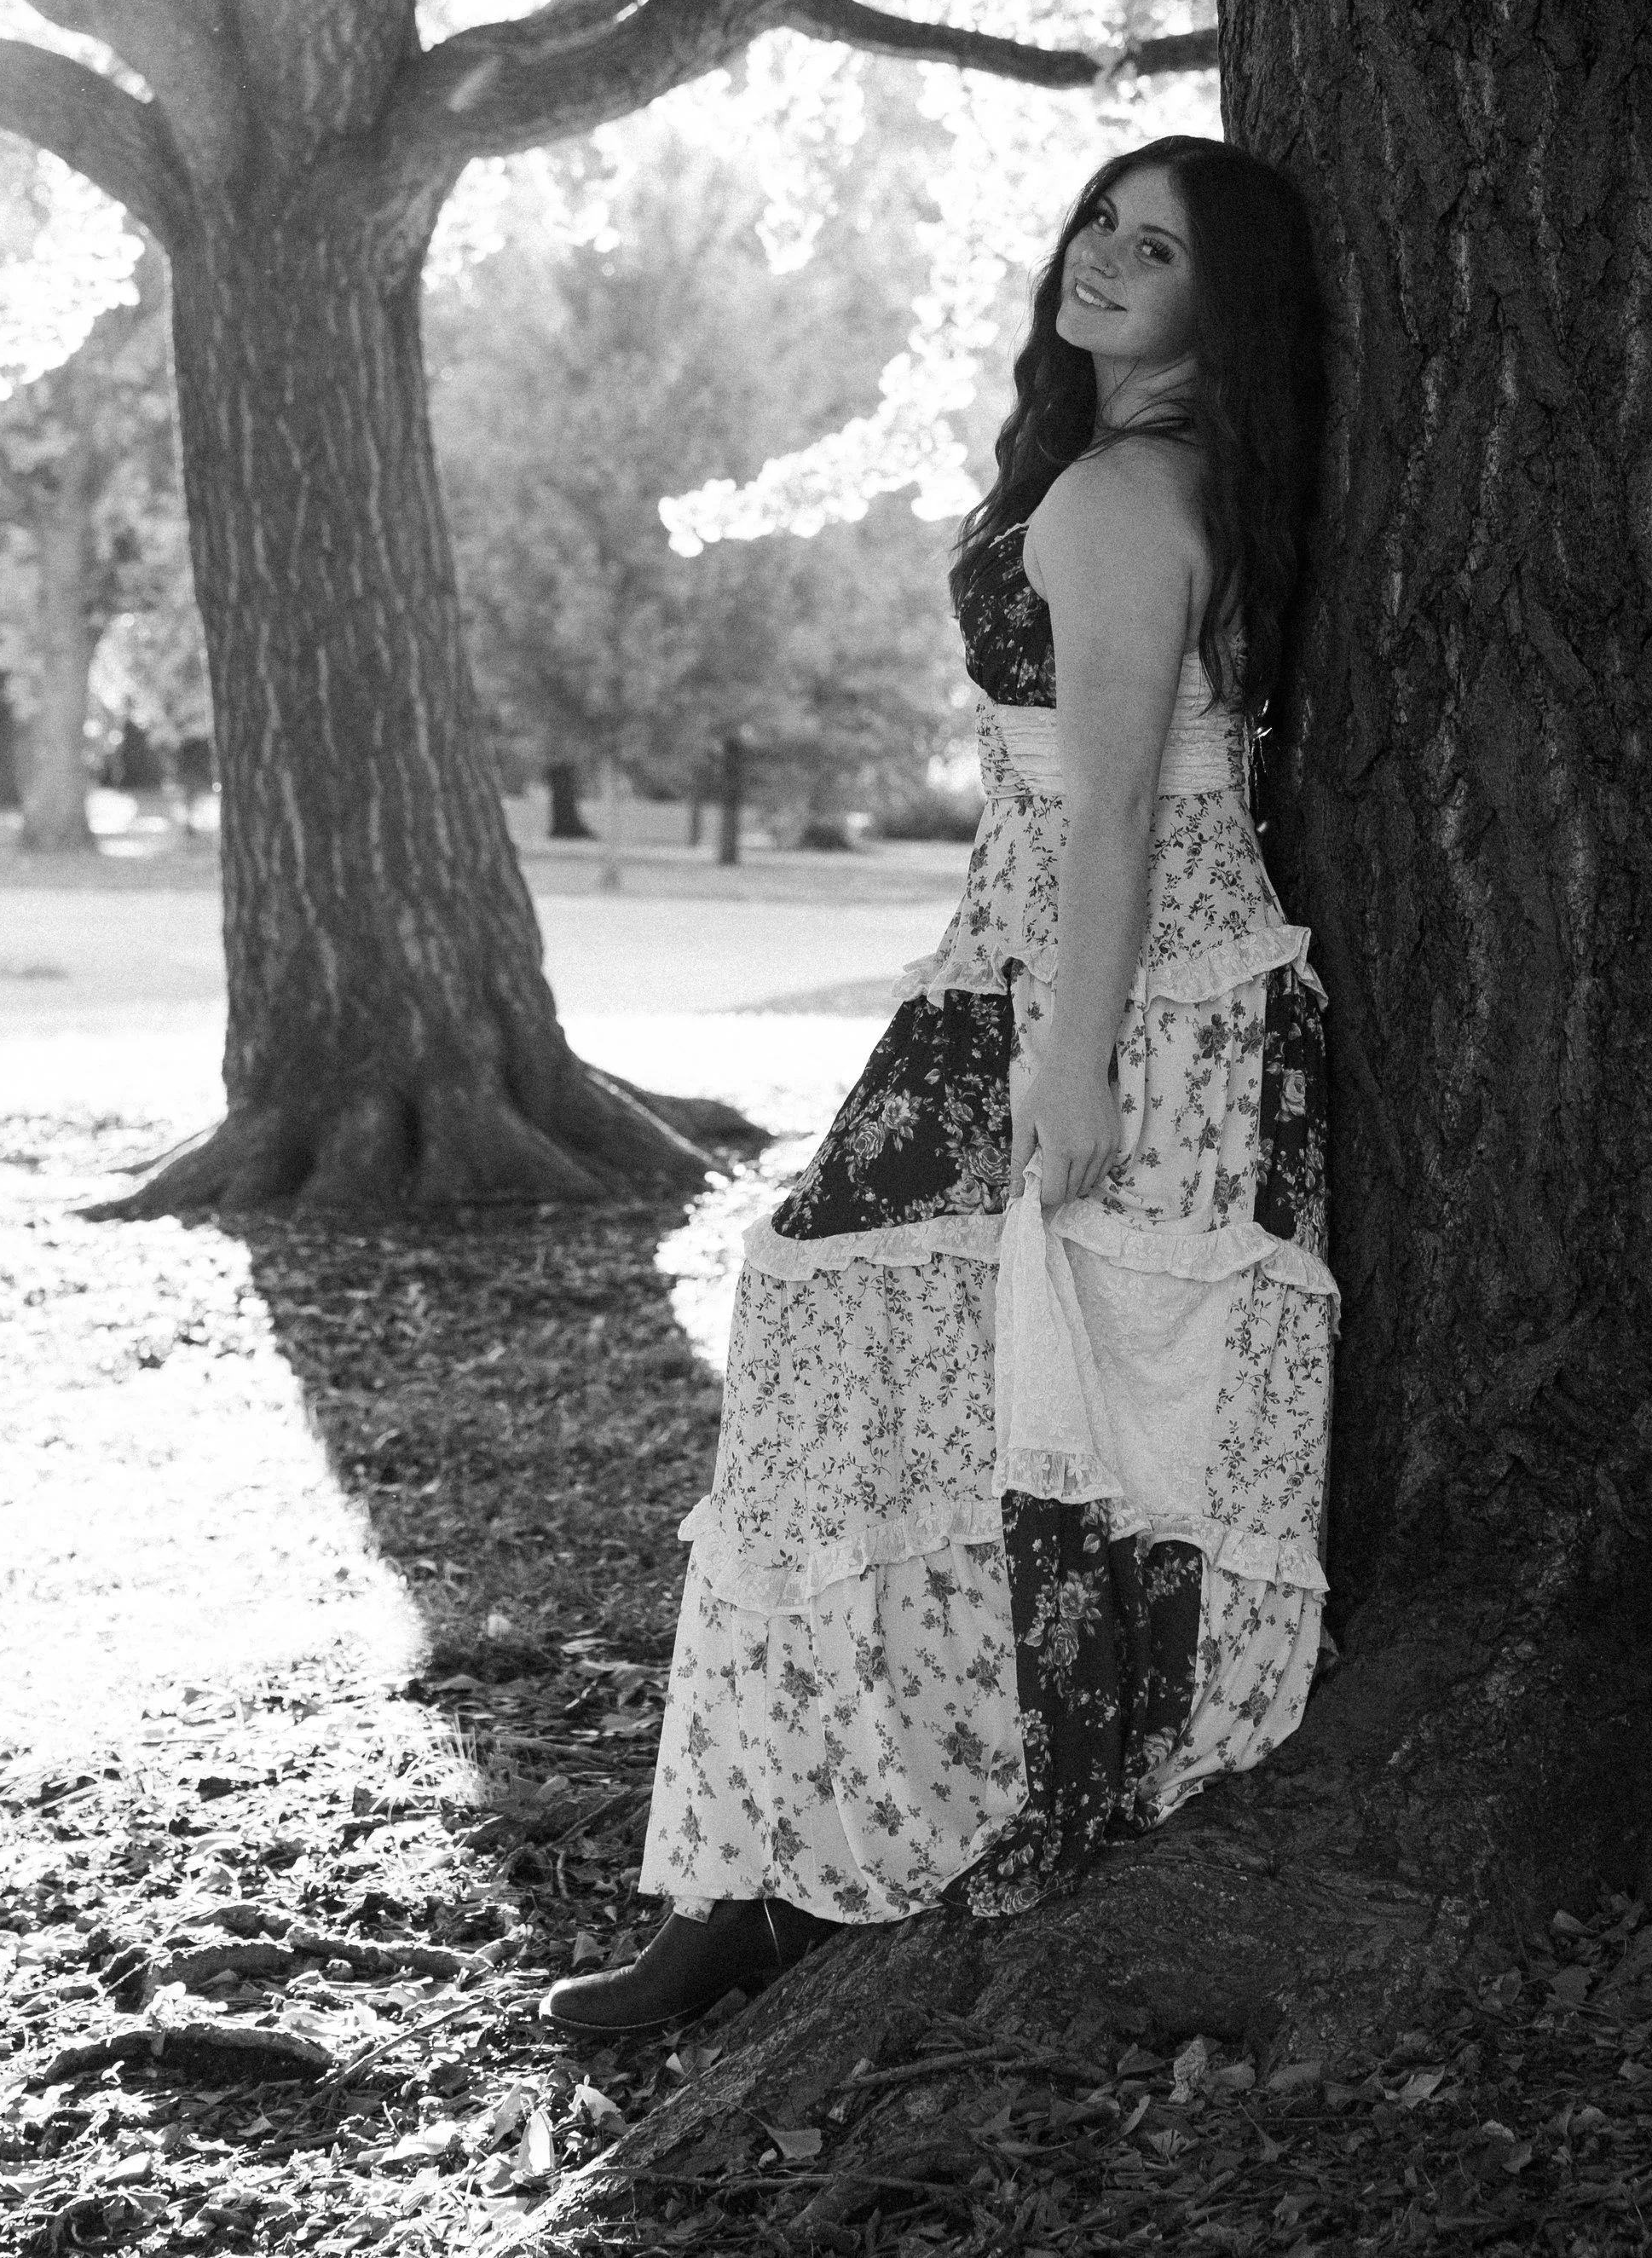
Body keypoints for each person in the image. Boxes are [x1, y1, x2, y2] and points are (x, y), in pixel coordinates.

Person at [543, 134, 1334, 2036]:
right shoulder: (1151, 477)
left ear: (1216, 306)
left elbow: (1126, 800)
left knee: (883, 1361)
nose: (1101, 262)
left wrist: (1069, 1068)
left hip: (1099, 1007)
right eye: (1096, 222)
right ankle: (776, 1859)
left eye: (1154, 249)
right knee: (939, 1393)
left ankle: (794, 1861)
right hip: (1068, 982)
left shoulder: (1123, 494)